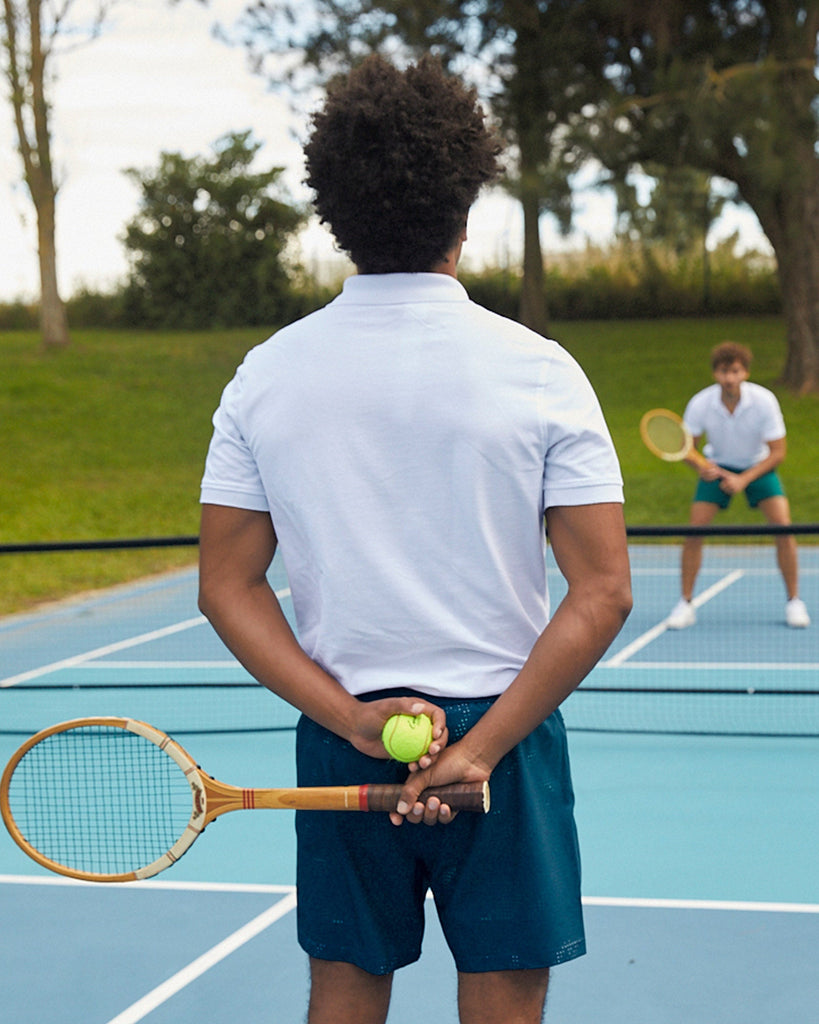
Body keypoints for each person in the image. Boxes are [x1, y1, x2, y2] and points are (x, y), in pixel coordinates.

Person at [198, 55, 632, 1024]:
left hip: (341, 732)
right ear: (465, 205)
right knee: (507, 997)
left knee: (345, 990)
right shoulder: (541, 371)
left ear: (333, 212)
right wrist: (480, 749)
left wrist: (353, 722)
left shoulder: (264, 376)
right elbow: (603, 589)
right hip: (506, 739)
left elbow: (226, 586)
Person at [667, 341, 810, 630]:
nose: (729, 378)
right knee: (694, 532)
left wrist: (744, 479)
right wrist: (702, 467)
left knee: (784, 529)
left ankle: (794, 601)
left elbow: (778, 452)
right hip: (717, 468)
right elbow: (688, 449)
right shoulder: (700, 403)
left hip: (758, 468)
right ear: (715, 374)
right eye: (723, 372)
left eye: (735, 371)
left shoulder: (764, 401)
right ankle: (685, 603)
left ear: (745, 372)